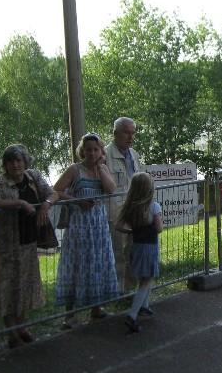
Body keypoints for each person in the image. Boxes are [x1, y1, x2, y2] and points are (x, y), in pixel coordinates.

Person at [0, 144, 57, 348]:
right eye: (10, 161)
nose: (15, 165)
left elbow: (53, 193)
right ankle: (12, 333)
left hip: (28, 242)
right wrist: (19, 203)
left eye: (19, 160)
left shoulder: (33, 177)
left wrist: (46, 204)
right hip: (6, 244)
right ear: (5, 164)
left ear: (25, 162)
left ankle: (22, 327)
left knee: (25, 285)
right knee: (7, 288)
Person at [54, 133, 118, 328]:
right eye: (88, 149)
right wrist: (77, 201)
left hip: (99, 225)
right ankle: (70, 314)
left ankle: (96, 309)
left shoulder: (103, 168)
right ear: (82, 151)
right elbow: (56, 190)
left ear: (101, 151)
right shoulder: (74, 169)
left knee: (98, 263)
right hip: (79, 226)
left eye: (96, 149)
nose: (92, 153)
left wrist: (101, 168)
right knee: (76, 264)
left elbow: (111, 189)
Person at [116, 172, 162, 334]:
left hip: (136, 246)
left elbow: (118, 226)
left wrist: (131, 231)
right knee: (146, 280)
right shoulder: (154, 206)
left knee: (144, 277)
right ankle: (132, 314)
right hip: (150, 247)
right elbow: (159, 228)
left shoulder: (130, 207)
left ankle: (145, 306)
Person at [105, 117, 143, 295]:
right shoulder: (105, 155)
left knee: (134, 250)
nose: (130, 137)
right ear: (115, 133)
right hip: (116, 213)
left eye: (133, 133)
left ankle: (130, 289)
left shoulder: (134, 154)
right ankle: (118, 291)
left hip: (135, 210)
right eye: (126, 132)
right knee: (118, 252)